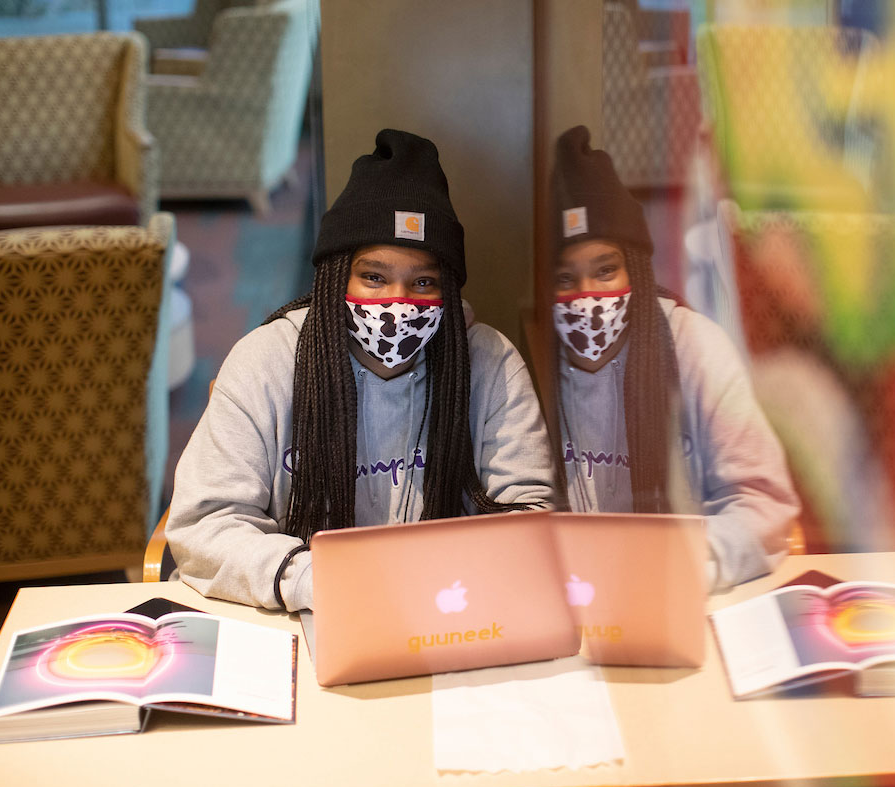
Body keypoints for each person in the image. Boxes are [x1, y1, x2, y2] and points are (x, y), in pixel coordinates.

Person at [166, 129, 555, 612]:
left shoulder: (491, 362)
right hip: (304, 612)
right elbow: (205, 524)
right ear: (336, 276)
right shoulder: (265, 361)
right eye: (373, 276)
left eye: (424, 281)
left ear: (448, 293)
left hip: (448, 612)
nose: (398, 300)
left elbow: (531, 509)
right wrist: (313, 581)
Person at [547, 126, 800, 589]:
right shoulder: (538, 367)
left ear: (636, 269)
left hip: (689, 594)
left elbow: (762, 502)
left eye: (605, 270)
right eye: (567, 278)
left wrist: (686, 566)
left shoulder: (696, 347)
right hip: (579, 603)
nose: (587, 295)